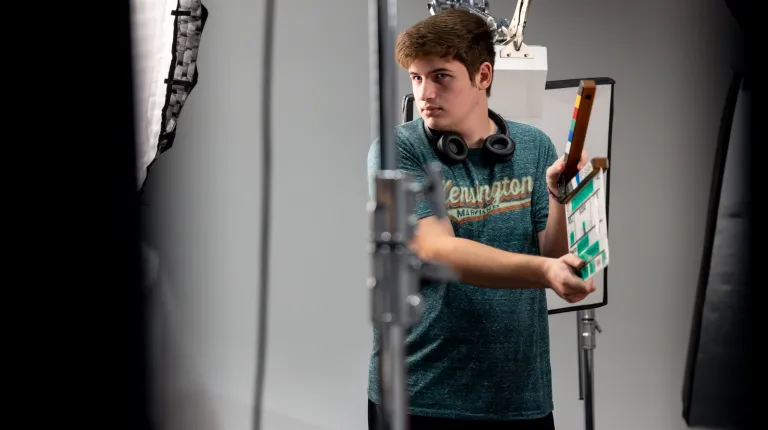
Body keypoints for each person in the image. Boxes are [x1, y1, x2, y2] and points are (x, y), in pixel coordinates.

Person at [365, 8, 597, 430]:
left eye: (440, 76)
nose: (424, 93)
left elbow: (556, 253)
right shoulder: (399, 150)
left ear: (483, 76)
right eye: (416, 78)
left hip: (520, 395)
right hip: (421, 395)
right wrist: (546, 270)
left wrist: (559, 197)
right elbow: (438, 250)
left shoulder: (532, 146)